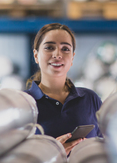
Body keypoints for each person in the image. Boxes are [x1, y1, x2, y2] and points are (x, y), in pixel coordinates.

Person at [24, 23, 102, 155]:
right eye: (49, 47)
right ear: (36, 55)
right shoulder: (23, 103)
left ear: (72, 58)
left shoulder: (90, 99)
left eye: (65, 49)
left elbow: (104, 148)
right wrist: (51, 154)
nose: (57, 54)